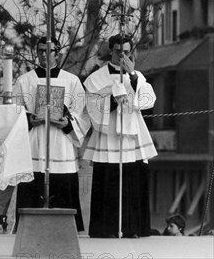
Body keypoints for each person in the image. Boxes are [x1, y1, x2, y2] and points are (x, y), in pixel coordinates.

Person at [12, 37, 90, 232]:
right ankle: (28, 233)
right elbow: (14, 112)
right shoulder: (24, 81)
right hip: (34, 143)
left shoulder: (71, 81)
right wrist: (30, 119)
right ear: (36, 53)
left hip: (61, 146)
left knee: (63, 194)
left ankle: (66, 233)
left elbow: (82, 114)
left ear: (58, 53)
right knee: (31, 194)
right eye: (41, 51)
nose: (45, 55)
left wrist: (67, 123)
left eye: (50, 51)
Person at [83, 34, 157, 238]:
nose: (122, 55)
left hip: (132, 136)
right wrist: (113, 100)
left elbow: (148, 100)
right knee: (108, 183)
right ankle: (106, 229)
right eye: (118, 51)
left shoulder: (137, 76)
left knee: (132, 182)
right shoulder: (96, 78)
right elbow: (93, 108)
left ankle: (133, 228)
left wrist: (132, 76)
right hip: (109, 136)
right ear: (110, 51)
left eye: (126, 51)